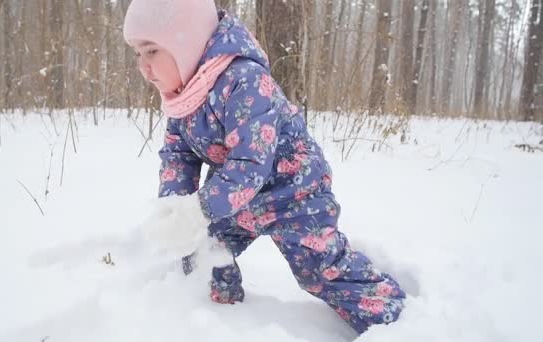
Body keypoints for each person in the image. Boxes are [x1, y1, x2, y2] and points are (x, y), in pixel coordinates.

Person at [123, 0, 405, 334]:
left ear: (186, 43)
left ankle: (392, 317)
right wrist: (173, 208)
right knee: (203, 251)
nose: (143, 65)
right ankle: (218, 318)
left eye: (152, 50)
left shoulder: (245, 80)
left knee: (319, 271)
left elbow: (249, 164)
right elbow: (178, 156)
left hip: (294, 192)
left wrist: (195, 210)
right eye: (137, 53)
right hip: (236, 198)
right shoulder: (182, 97)